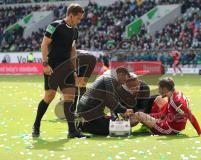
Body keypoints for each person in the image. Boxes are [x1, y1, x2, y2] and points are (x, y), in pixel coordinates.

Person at [32, 3, 86, 138]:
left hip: (67, 68)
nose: (79, 21)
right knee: (49, 96)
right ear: (71, 15)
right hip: (52, 67)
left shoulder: (75, 31)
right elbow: (44, 44)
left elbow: (73, 50)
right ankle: (36, 125)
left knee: (69, 98)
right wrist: (45, 64)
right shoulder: (55, 26)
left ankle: (72, 131)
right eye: (78, 18)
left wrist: (74, 70)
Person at [132, 77, 201, 136]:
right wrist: (149, 117)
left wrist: (200, 133)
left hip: (169, 129)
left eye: (159, 89)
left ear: (165, 89)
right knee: (158, 99)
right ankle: (146, 125)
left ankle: (123, 127)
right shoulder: (174, 93)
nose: (158, 91)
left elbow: (190, 115)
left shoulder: (176, 101)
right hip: (168, 121)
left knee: (138, 115)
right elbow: (163, 114)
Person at [75, 67, 134, 135]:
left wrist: (114, 116)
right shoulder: (110, 79)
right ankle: (82, 125)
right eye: (125, 79)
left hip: (90, 110)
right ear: (121, 74)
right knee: (112, 129)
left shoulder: (110, 78)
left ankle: (83, 124)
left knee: (115, 127)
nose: (124, 82)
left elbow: (109, 101)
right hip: (88, 111)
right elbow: (110, 99)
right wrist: (124, 110)